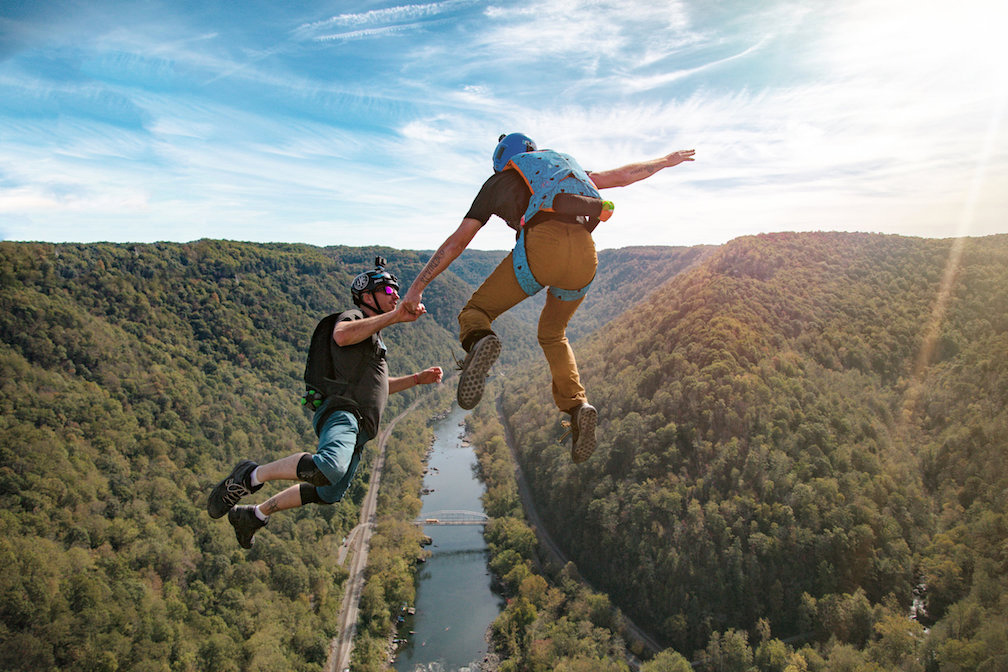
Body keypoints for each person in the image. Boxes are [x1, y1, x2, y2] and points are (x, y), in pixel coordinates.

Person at [400, 133, 694, 464]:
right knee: (553, 334)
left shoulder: (499, 181)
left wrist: (416, 288)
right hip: (585, 256)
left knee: (477, 311)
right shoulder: (565, 172)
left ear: (502, 159)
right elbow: (624, 177)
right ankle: (577, 405)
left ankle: (480, 342)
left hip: (543, 247)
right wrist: (665, 161)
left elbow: (457, 243)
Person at [207, 257, 444, 548]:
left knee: (329, 492)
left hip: (360, 428)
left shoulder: (371, 339)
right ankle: (251, 475)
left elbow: (380, 388)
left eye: (397, 291)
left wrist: (417, 379)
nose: (395, 295)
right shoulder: (353, 318)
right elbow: (341, 335)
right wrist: (395, 317)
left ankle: (254, 515)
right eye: (389, 291)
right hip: (343, 413)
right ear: (367, 296)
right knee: (328, 467)